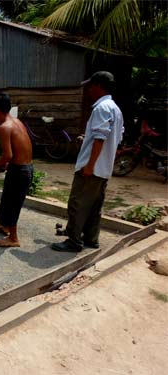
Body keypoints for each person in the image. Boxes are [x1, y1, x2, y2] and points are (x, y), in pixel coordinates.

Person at [52, 71, 124, 252]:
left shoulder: (101, 108)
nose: (89, 90)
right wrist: (88, 138)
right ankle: (91, 238)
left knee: (77, 203)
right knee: (94, 205)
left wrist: (90, 165)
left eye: (91, 86)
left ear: (99, 86)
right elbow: (115, 136)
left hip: (92, 168)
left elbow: (100, 139)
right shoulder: (115, 108)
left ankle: (74, 241)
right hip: (104, 167)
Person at [0, 92, 33, 247]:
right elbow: (20, 150)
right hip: (22, 167)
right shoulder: (17, 122)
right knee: (7, 199)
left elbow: (8, 154)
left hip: (20, 171)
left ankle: (13, 238)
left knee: (13, 203)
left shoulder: (4, 127)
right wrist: (7, 165)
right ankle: (5, 226)